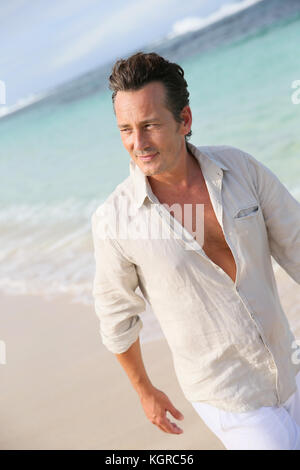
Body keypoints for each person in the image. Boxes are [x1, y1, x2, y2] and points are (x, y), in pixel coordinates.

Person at [91, 51, 300, 450]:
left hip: (289, 364)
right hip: (227, 394)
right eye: (126, 129)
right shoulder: (114, 221)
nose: (137, 143)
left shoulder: (241, 168)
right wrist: (144, 390)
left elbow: (297, 243)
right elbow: (116, 319)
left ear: (184, 120)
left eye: (149, 125)